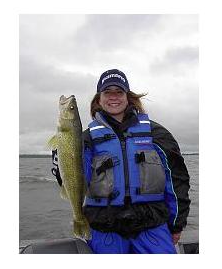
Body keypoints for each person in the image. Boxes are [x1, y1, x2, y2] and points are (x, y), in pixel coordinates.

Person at [53, 69, 191, 254]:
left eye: (119, 92)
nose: (113, 97)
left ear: (128, 96)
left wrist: (177, 224)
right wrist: (59, 159)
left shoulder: (158, 134)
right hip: (104, 227)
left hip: (152, 226)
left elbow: (177, 181)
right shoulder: (85, 139)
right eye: (107, 92)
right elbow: (74, 179)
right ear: (99, 99)